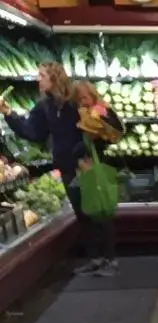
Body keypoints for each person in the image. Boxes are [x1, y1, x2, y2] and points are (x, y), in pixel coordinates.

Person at [0, 63, 108, 275]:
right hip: (67, 167)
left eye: (42, 75)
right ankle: (96, 258)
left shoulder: (75, 100)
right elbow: (34, 132)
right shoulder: (45, 105)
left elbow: (99, 123)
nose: (38, 79)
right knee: (82, 212)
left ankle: (103, 256)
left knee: (93, 211)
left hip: (86, 164)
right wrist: (8, 113)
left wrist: (85, 149)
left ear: (54, 78)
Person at [69, 79, 124, 276]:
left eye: (85, 97)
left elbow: (115, 133)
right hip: (86, 168)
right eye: (79, 99)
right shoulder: (80, 113)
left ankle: (111, 259)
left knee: (104, 213)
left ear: (92, 95)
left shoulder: (102, 110)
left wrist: (96, 134)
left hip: (101, 167)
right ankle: (96, 259)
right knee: (90, 213)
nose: (82, 102)